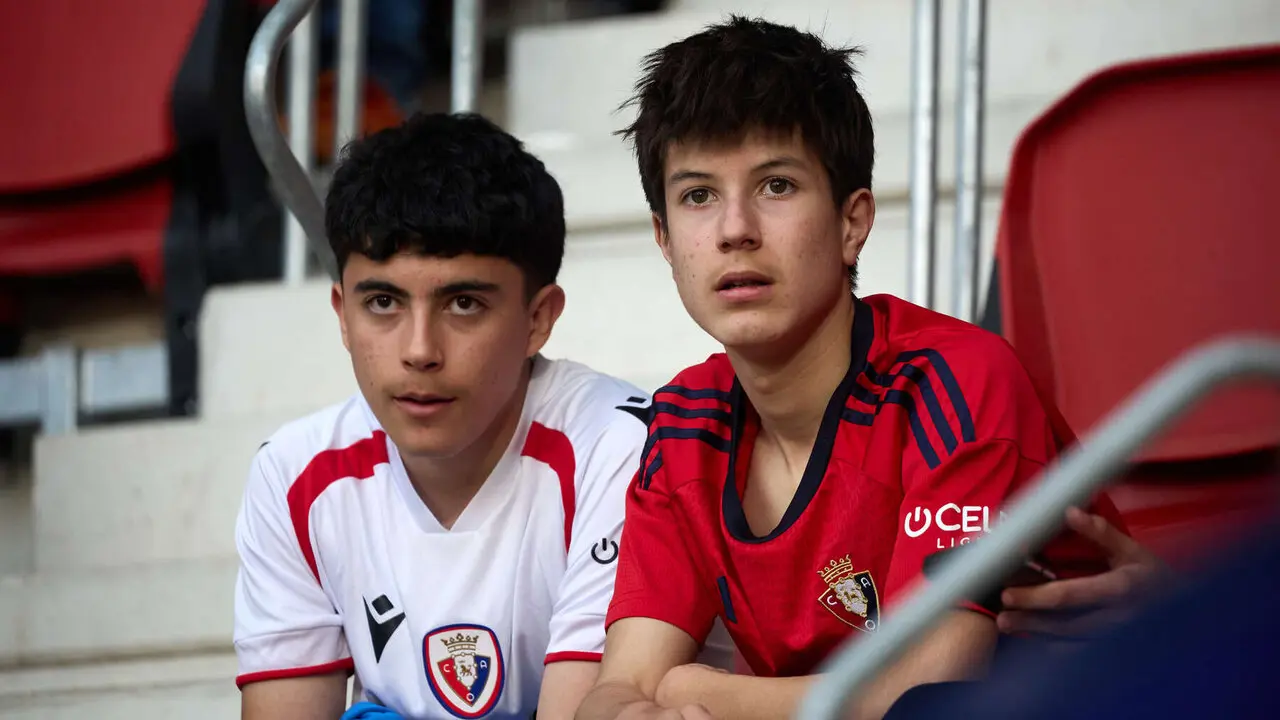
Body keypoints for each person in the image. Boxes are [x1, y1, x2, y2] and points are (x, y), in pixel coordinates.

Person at [575, 17, 1156, 720]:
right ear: (665, 240)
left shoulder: (954, 381)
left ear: (852, 222)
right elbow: (620, 685)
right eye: (698, 195)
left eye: (777, 186)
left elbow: (930, 689)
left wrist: (696, 692)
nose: (734, 229)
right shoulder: (684, 419)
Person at [233, 112, 672, 720]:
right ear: (341, 313)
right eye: (383, 302)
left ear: (539, 319)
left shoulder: (620, 446)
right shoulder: (293, 476)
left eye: (463, 304)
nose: (419, 350)